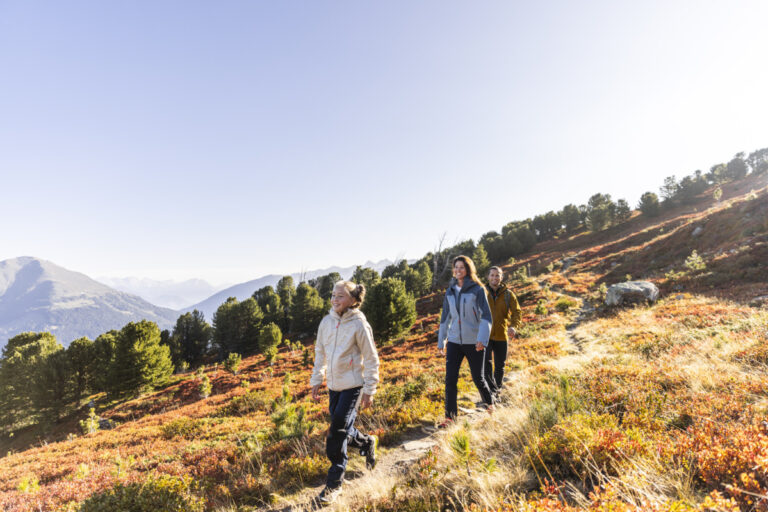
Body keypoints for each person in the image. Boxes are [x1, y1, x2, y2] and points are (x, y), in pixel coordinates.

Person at [310, 280, 380, 505]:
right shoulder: (326, 322)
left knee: (336, 430)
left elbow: (370, 358)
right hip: (333, 386)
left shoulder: (359, 324)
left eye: (340, 296)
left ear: (352, 300)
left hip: (353, 386)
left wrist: (369, 390)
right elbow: (320, 352)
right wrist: (316, 380)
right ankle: (367, 443)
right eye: (333, 295)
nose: (334, 299)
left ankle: (334, 484)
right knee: (344, 430)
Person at [436, 255, 495, 426]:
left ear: (468, 270)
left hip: (474, 341)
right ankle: (450, 418)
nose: (458, 270)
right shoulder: (450, 290)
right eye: (456, 267)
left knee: (478, 378)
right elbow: (445, 317)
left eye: (461, 267)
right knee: (450, 379)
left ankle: (490, 405)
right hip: (454, 341)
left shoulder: (477, 289)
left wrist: (482, 339)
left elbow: (486, 317)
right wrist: (442, 341)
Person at [483, 266, 522, 400]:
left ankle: (497, 390)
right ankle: (491, 394)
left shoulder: (508, 294)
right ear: (488, 277)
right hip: (484, 336)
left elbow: (517, 312)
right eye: (492, 275)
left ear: (501, 277)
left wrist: (514, 326)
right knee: (486, 366)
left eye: (497, 275)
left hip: (501, 335)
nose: (495, 278)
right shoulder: (481, 292)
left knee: (500, 366)